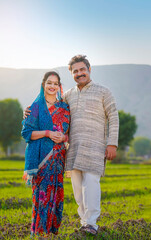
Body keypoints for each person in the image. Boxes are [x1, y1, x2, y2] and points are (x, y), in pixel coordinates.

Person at [24, 55, 119, 236]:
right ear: (72, 74)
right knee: (77, 188)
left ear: (89, 69)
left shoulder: (103, 91)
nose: (79, 73)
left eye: (82, 69)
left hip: (95, 147)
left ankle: (91, 223)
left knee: (91, 184)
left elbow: (113, 117)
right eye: (75, 71)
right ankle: (84, 222)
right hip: (73, 149)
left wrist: (112, 144)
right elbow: (50, 104)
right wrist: (27, 111)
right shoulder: (69, 95)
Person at [21, 71, 70, 238]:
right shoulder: (35, 107)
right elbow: (27, 133)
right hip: (42, 161)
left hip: (58, 161)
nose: (52, 86)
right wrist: (48, 133)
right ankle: (40, 233)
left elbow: (69, 133)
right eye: (49, 82)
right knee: (41, 198)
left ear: (59, 86)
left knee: (56, 197)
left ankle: (52, 233)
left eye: (56, 83)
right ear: (44, 85)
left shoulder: (64, 108)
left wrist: (64, 137)